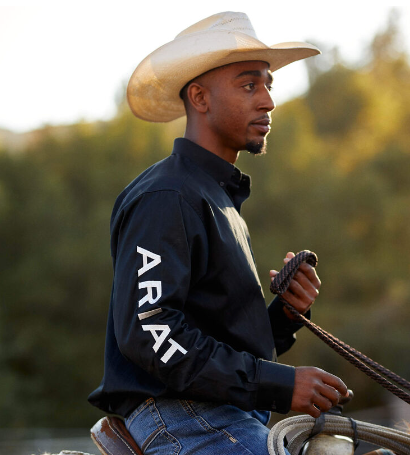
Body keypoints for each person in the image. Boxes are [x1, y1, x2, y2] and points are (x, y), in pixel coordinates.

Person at [88, 11, 348, 455]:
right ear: (200, 97)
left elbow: (221, 347)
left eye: (268, 85)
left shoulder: (215, 197)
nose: (267, 101)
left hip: (222, 415)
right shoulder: (167, 196)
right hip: (183, 418)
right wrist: (279, 384)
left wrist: (283, 315)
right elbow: (152, 331)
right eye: (250, 85)